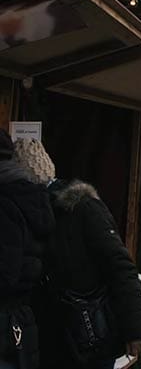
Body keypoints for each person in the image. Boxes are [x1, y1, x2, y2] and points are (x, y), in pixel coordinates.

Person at [33, 176, 141, 369]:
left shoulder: (84, 209)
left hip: (90, 335)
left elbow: (120, 267)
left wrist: (135, 329)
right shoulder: (27, 212)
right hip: (50, 336)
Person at [0, 133, 54, 369]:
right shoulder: (25, 197)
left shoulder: (6, 203)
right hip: (18, 323)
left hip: (6, 327)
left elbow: (5, 274)